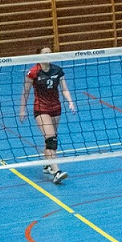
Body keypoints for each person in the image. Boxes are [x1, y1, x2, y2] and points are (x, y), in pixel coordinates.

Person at [19, 47, 76, 184]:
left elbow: (64, 89)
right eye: (45, 53)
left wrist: (70, 102)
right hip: (41, 109)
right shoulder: (33, 72)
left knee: (51, 140)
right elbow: (25, 93)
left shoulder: (57, 70)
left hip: (56, 108)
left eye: (50, 53)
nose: (49, 55)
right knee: (51, 140)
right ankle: (56, 171)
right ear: (38, 56)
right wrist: (22, 110)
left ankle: (47, 163)